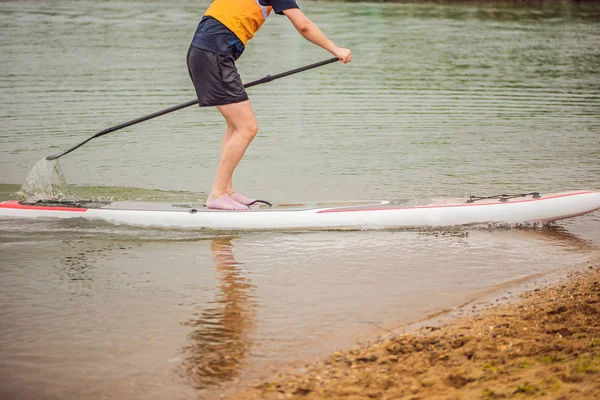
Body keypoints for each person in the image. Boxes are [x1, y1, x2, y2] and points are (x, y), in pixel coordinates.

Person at [187, 0, 352, 210]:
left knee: (236, 127)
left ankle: (226, 191)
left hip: (207, 53)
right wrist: (335, 49)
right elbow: (303, 25)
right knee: (247, 128)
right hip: (214, 55)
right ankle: (217, 194)